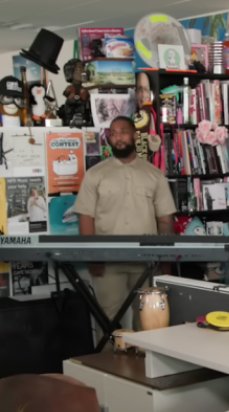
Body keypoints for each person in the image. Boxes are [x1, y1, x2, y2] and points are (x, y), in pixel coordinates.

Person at [73, 116, 176, 338]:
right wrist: (92, 257)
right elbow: (86, 217)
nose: (118, 137)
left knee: (149, 321)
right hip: (108, 262)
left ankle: (145, 368)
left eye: (123, 132)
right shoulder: (95, 175)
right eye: (113, 133)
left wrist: (164, 259)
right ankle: (107, 368)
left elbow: (165, 220)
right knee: (108, 319)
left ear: (134, 135)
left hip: (147, 263)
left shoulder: (154, 175)